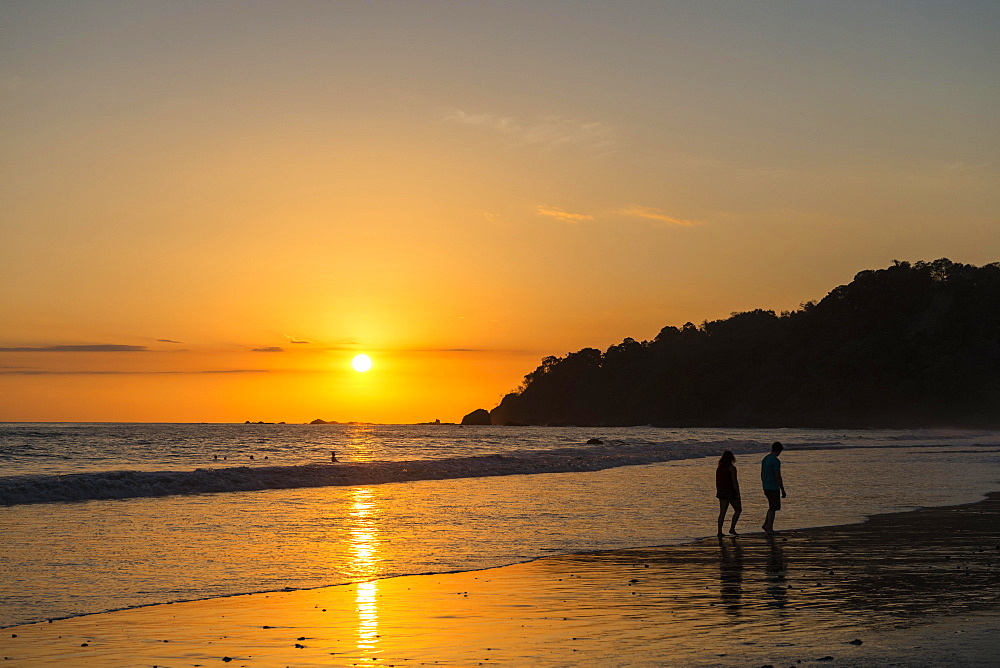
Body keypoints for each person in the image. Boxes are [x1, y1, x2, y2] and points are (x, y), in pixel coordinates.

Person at [761, 441, 786, 534]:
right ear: (778, 450)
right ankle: (770, 528)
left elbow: (762, 474)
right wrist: (782, 489)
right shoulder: (776, 461)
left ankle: (766, 524)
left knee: (771, 506)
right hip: (773, 487)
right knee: (773, 507)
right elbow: (778, 476)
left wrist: (763, 485)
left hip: (766, 486)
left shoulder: (765, 459)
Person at [715, 450, 741, 536]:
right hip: (730, 491)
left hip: (721, 491)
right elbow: (734, 482)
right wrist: (738, 493)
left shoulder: (719, 468)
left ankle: (719, 531)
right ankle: (732, 528)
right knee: (738, 509)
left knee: (722, 512)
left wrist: (718, 490)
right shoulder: (732, 468)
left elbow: (717, 481)